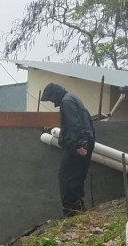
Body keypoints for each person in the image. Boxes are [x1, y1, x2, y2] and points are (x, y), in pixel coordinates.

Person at [41, 83, 96, 217]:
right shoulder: (74, 99)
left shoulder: (66, 102)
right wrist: (86, 143)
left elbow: (74, 124)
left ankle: (71, 212)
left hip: (77, 144)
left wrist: (78, 145)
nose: (53, 102)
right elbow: (88, 121)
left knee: (66, 178)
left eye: (51, 99)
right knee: (77, 178)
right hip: (87, 141)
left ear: (55, 94)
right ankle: (78, 209)